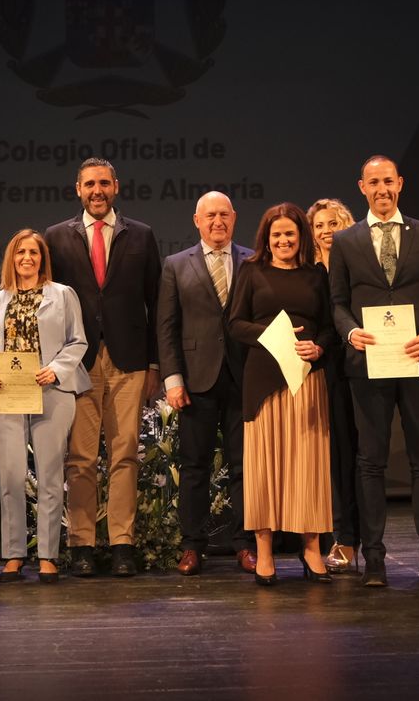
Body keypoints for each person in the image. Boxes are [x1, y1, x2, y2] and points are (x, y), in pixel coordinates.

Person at [327, 155, 419, 588]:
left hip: (418, 359)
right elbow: (337, 302)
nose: (382, 189)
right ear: (361, 187)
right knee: (370, 462)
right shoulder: (345, 241)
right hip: (368, 362)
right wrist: (348, 332)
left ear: (400, 183)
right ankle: (375, 559)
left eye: (388, 181)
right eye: (373, 183)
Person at [43, 157, 162, 577]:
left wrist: (153, 364)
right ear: (78, 189)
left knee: (125, 453)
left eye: (104, 184)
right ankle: (81, 545)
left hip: (129, 360)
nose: (97, 191)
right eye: (90, 184)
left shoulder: (142, 236)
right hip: (79, 361)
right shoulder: (55, 238)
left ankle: (122, 543)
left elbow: (156, 303)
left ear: (116, 187)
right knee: (80, 457)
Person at [227, 203, 336, 585]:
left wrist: (319, 348)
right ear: (266, 239)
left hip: (307, 379)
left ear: (300, 237)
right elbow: (235, 323)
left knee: (308, 467)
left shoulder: (316, 274)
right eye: (276, 235)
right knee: (265, 468)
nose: (283, 240)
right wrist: (271, 336)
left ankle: (311, 550)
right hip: (263, 381)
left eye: (290, 234)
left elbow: (328, 326)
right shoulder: (251, 271)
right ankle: (266, 552)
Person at [0, 229, 89, 583]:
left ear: (43, 258)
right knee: (11, 475)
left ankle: (47, 554)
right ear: (11, 258)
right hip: (9, 394)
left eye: (34, 252)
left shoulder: (62, 295)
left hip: (51, 391)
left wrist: (54, 371)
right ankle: (14, 554)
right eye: (20, 252)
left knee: (49, 475)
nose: (27, 258)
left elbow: (77, 342)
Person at [157, 192, 255, 576]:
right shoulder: (175, 265)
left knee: (244, 467)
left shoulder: (253, 260)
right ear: (196, 220)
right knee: (193, 467)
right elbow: (166, 329)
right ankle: (192, 546)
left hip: (244, 378)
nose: (218, 221)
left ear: (234, 218)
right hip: (195, 381)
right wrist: (173, 379)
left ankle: (244, 544)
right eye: (210, 215)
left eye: (224, 214)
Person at [308, 197, 361, 574]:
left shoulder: (357, 267)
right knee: (321, 457)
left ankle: (348, 537)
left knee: (349, 455)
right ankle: (322, 537)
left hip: (353, 366)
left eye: (334, 224)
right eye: (320, 226)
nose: (327, 231)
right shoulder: (307, 272)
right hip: (315, 369)